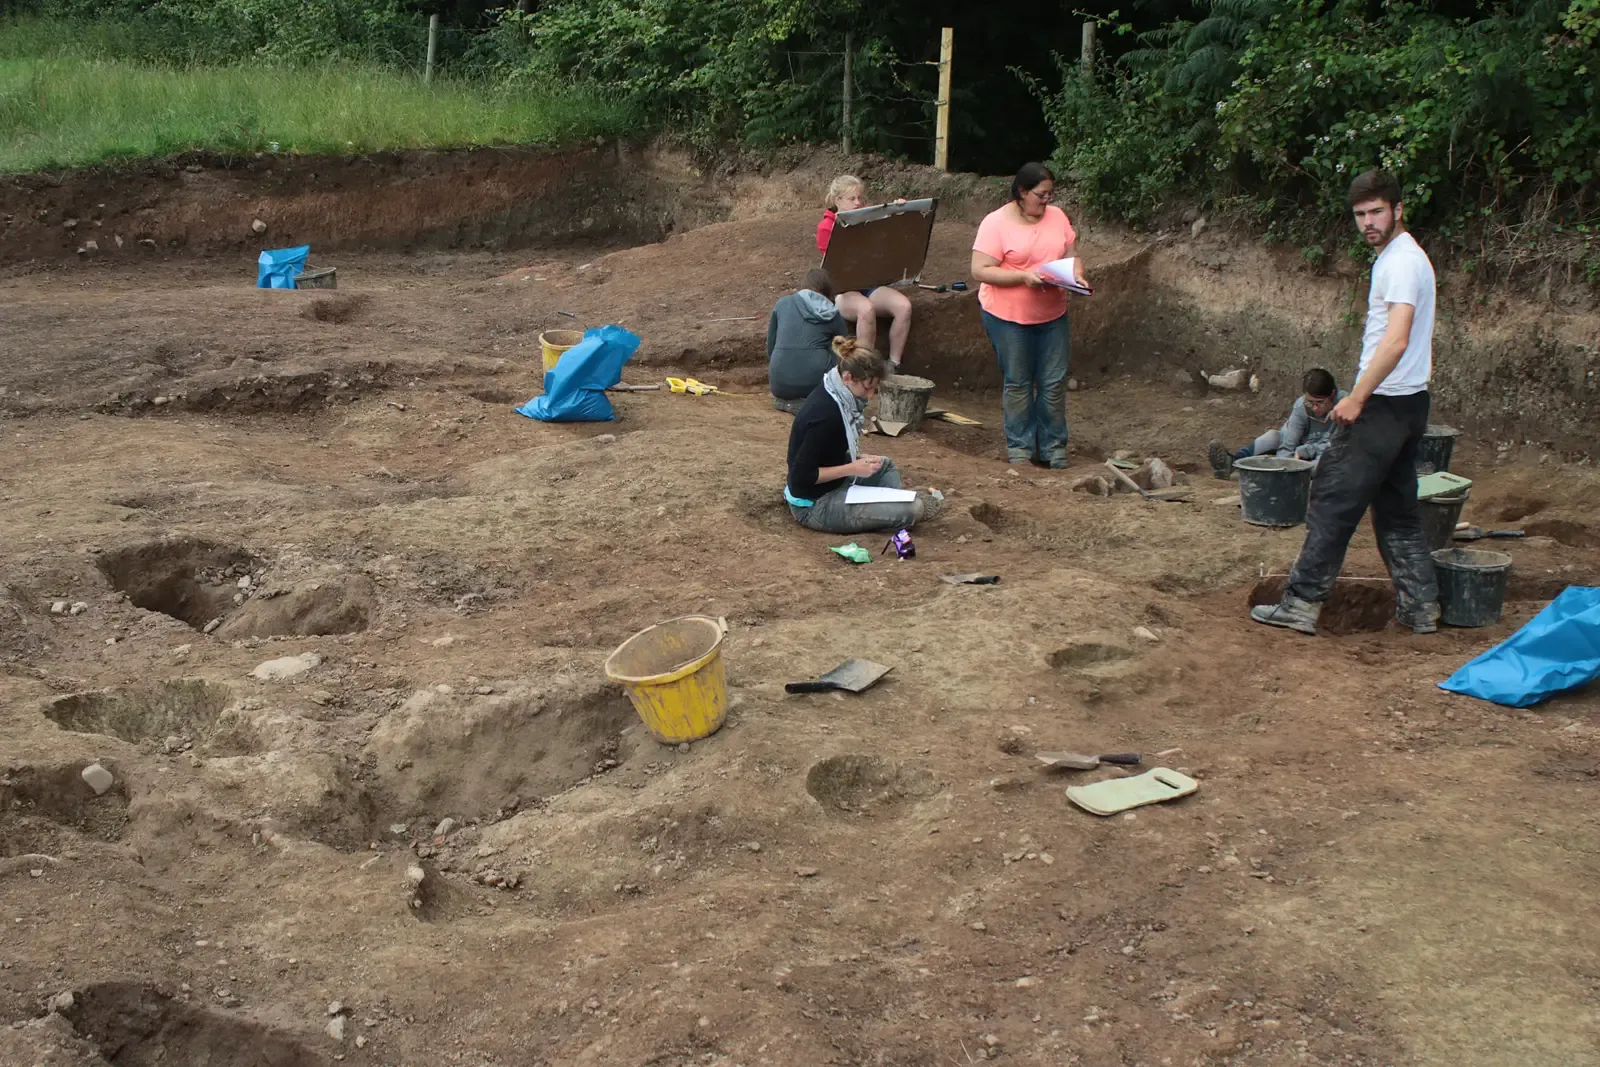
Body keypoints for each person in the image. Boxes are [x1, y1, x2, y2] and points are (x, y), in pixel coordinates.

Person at [1252, 169, 1440, 635]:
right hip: (1410, 404)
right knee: (1398, 510)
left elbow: (1396, 340)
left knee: (1332, 500)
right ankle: (1421, 607)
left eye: (1377, 211)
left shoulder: (1400, 262)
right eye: (1360, 214)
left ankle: (1301, 604)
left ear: (1398, 210)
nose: (1368, 222)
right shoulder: (1406, 258)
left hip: (1383, 404)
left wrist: (1358, 396)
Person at [969, 162, 1087, 468]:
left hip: (1052, 314)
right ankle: (1020, 448)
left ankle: (1053, 447)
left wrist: (1077, 277)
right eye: (1041, 195)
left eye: (1050, 195)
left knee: (1053, 383)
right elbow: (979, 270)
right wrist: (1023, 277)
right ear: (1022, 192)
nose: (1046, 201)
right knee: (1019, 382)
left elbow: (1072, 256)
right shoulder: (996, 223)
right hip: (1008, 317)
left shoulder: (1057, 217)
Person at [784, 338, 930, 534]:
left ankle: (891, 507)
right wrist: (852, 467)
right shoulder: (826, 416)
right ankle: (894, 513)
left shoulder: (834, 391)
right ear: (847, 378)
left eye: (874, 388)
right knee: (914, 509)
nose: (870, 396)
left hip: (835, 484)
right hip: (814, 504)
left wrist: (855, 459)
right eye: (867, 387)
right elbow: (800, 477)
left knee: (884, 466)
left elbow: (826, 451)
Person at [817, 175, 914, 369]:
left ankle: (893, 365)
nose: (857, 203)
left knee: (904, 307)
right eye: (851, 198)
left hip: (869, 284)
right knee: (866, 309)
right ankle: (864, 368)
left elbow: (892, 234)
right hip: (843, 290)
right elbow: (838, 264)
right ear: (837, 200)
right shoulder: (826, 227)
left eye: (859, 198)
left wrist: (899, 211)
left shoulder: (868, 218)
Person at [1208, 368, 1348, 478]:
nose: (1315, 408)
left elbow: (1340, 446)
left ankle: (1299, 474)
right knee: (1273, 436)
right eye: (1311, 402)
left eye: (1320, 403)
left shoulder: (1346, 406)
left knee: (1326, 463)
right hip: (1300, 453)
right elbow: (1287, 445)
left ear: (1332, 394)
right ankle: (1232, 462)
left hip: (1329, 454)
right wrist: (1285, 465)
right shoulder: (1301, 407)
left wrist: (1308, 452)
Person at [768, 268, 849, 413]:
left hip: (778, 385)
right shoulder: (832, 313)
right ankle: (812, 399)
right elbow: (846, 353)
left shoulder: (782, 304)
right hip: (815, 387)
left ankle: (787, 400)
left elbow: (771, 344)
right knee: (836, 345)